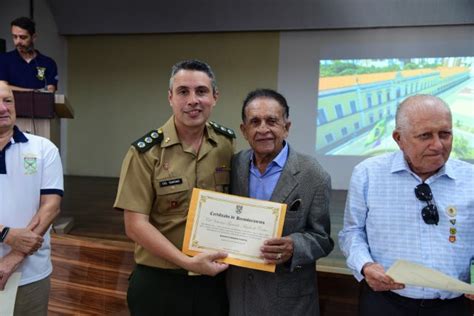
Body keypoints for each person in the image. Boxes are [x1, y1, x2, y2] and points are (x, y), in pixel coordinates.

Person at [114, 60, 235, 315]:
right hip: (160, 283)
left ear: (215, 97)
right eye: (183, 92)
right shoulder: (146, 153)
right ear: (170, 97)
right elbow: (135, 225)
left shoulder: (226, 145)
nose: (193, 100)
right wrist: (188, 262)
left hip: (213, 283)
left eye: (201, 91)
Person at [339, 94, 474, 315]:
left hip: (451, 306)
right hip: (385, 303)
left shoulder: (471, 178)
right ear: (398, 138)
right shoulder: (368, 174)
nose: (438, 145)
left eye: (445, 134)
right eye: (425, 136)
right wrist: (365, 266)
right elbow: (352, 232)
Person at [226, 88, 334, 316]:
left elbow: (322, 238)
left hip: (288, 302)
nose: (263, 129)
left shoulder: (313, 175)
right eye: (255, 122)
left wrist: (295, 246)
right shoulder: (233, 166)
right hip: (239, 296)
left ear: (286, 127)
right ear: (244, 130)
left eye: (272, 121)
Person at [0, 82, 63, 315]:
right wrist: (6, 233)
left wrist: (15, 256)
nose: (3, 108)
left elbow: (51, 206)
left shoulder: (43, 149)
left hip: (30, 272)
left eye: (8, 101)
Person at [0, 17, 58, 92]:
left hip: (39, 104)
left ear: (33, 38)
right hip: (12, 104)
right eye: (15, 37)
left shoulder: (48, 63)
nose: (18, 42)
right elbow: (2, 87)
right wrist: (33, 91)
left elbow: (50, 90)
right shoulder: (3, 59)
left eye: (23, 37)